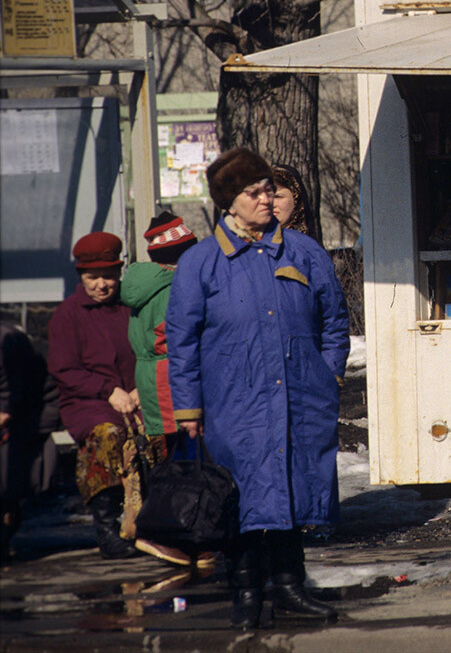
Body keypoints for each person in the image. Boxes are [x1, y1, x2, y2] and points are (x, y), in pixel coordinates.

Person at [168, 148, 350, 629]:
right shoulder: (201, 263)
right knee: (242, 496)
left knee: (292, 487)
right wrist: (188, 409)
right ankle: (245, 592)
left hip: (300, 397)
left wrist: (328, 373)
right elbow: (181, 342)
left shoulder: (303, 251)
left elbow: (334, 320)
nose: (268, 198)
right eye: (256, 192)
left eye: (270, 189)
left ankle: (291, 586)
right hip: (233, 403)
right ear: (230, 201)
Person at [47, 232, 151, 559]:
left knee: (158, 435)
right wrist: (109, 392)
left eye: (108, 277)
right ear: (81, 277)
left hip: (137, 397)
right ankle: (108, 530)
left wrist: (139, 387)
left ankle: (155, 522)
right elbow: (65, 369)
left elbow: (148, 352)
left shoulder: (132, 308)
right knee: (108, 436)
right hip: (88, 402)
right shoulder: (68, 314)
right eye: (93, 278)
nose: (102, 285)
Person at [120, 211, 206, 566]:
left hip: (153, 377)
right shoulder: (173, 288)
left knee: (177, 455)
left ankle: (186, 536)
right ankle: (164, 533)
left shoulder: (142, 284)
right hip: (173, 376)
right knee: (186, 458)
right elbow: (182, 336)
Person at [0, 323, 59, 562]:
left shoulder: (6, 341)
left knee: (7, 486)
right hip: (19, 411)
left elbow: (8, 400)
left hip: (27, 414)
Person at [271, 163, 316, 239]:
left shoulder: (307, 247)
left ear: (296, 201)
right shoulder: (251, 244)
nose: (271, 203)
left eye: (278, 197)